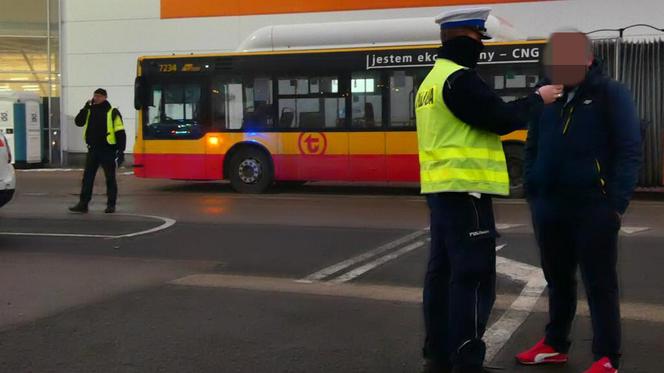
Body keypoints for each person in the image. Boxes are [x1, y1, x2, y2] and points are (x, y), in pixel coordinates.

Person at [415, 7, 562, 373]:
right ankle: (467, 360)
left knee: (441, 276)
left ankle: (438, 354)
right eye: (480, 40)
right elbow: (499, 118)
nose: (481, 48)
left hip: (441, 190)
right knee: (473, 276)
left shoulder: (430, 82)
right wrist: (538, 99)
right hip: (468, 193)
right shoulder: (459, 79)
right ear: (466, 38)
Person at [515, 31, 641, 373]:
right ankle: (555, 344)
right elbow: (532, 147)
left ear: (587, 59)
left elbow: (629, 150)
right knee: (558, 279)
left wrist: (615, 204)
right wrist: (534, 189)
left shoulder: (609, 94)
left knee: (600, 283)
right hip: (549, 206)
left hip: (593, 207)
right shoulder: (545, 98)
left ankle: (606, 357)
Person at [69, 88, 126, 214]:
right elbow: (79, 122)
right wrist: (85, 108)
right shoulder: (89, 110)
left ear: (105, 97)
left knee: (110, 178)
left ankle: (111, 205)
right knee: (87, 178)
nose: (97, 98)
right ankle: (83, 204)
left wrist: (121, 151)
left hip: (108, 150)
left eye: (99, 96)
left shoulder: (112, 112)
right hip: (93, 149)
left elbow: (120, 132)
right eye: (95, 96)